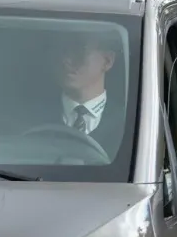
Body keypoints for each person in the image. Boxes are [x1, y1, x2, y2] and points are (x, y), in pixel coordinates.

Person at [51, 29, 126, 158]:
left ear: (107, 60)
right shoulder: (29, 116)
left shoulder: (132, 124)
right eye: (62, 50)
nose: (66, 60)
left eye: (79, 50)